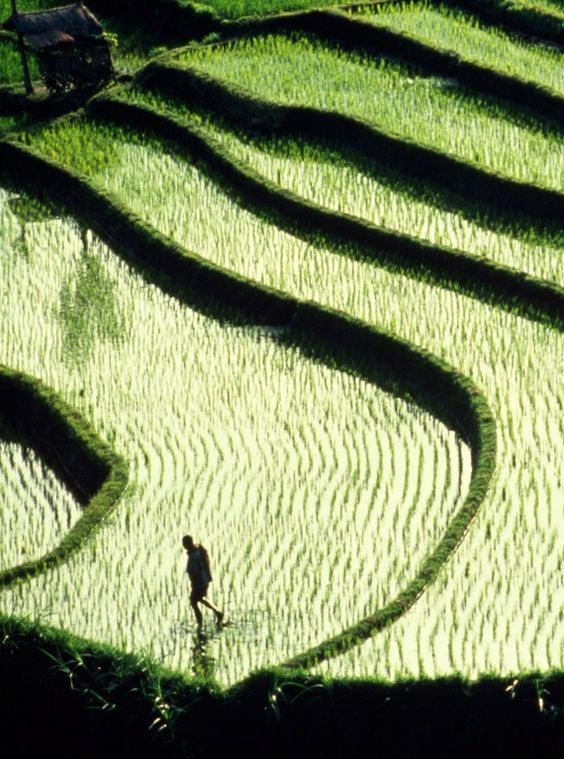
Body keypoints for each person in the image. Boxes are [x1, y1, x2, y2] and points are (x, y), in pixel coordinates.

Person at [182, 534, 224, 628]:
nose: (183, 545)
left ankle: (200, 624)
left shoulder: (192, 557)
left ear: (187, 544)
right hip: (205, 580)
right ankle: (218, 613)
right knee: (200, 598)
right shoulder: (199, 550)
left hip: (199, 583)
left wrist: (193, 584)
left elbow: (193, 573)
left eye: (184, 543)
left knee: (193, 602)